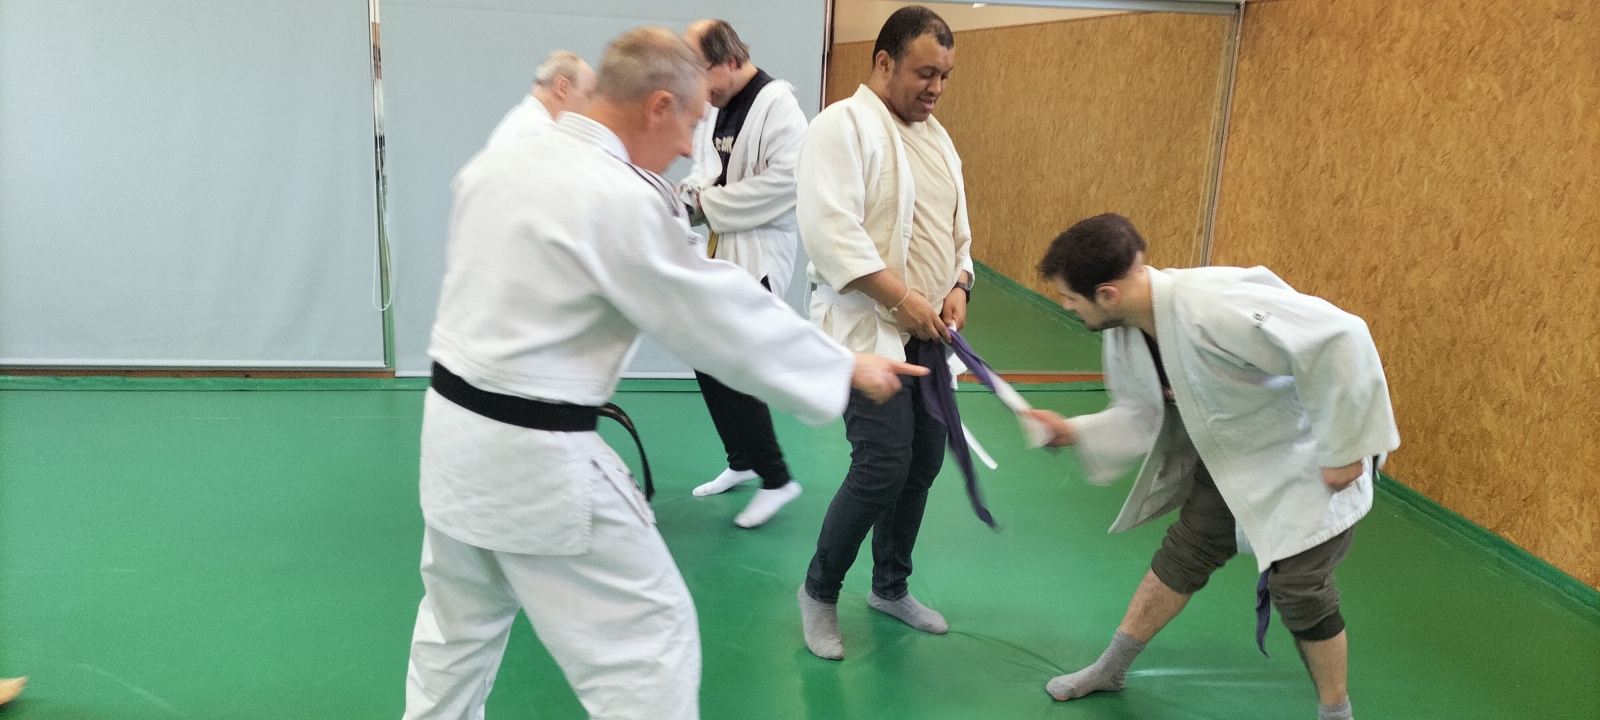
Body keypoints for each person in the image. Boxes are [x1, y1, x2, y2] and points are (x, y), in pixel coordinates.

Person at [401, 28, 923, 720]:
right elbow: (712, 309)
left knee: (453, 638)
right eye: (690, 122)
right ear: (656, 106)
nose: (687, 148)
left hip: (450, 444)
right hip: (536, 464)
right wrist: (843, 364)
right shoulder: (614, 195)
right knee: (650, 644)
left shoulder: (502, 160)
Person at [1025, 214, 1400, 720]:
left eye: (1071, 298)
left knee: (1300, 590)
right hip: (1233, 458)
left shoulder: (1214, 306)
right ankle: (1111, 668)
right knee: (1185, 553)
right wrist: (1071, 431)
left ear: (1108, 294)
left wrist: (1344, 450)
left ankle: (1336, 713)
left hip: (1304, 458)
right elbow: (1140, 412)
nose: (1067, 307)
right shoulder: (1128, 328)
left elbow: (1341, 336)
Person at [793, 5, 975, 661]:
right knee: (881, 464)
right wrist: (902, 300)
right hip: (868, 332)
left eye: (944, 76)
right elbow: (830, 233)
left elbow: (958, 232)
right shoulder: (840, 127)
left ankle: (889, 587)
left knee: (922, 461)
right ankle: (818, 591)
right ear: (883, 62)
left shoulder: (938, 140)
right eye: (925, 73)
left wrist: (959, 284)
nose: (936, 88)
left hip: (928, 333)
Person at [673, 19, 811, 528]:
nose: (698, 85)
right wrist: (689, 194)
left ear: (730, 60)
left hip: (759, 251)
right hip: (719, 247)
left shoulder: (779, 105)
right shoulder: (716, 105)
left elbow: (788, 183)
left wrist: (708, 205)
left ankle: (777, 478)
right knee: (704, 355)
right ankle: (742, 460)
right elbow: (705, 169)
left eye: (702, 71)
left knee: (738, 363)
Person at [484, 50, 596, 148]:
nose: (592, 104)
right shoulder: (542, 134)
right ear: (562, 88)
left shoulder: (519, 122)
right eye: (589, 95)